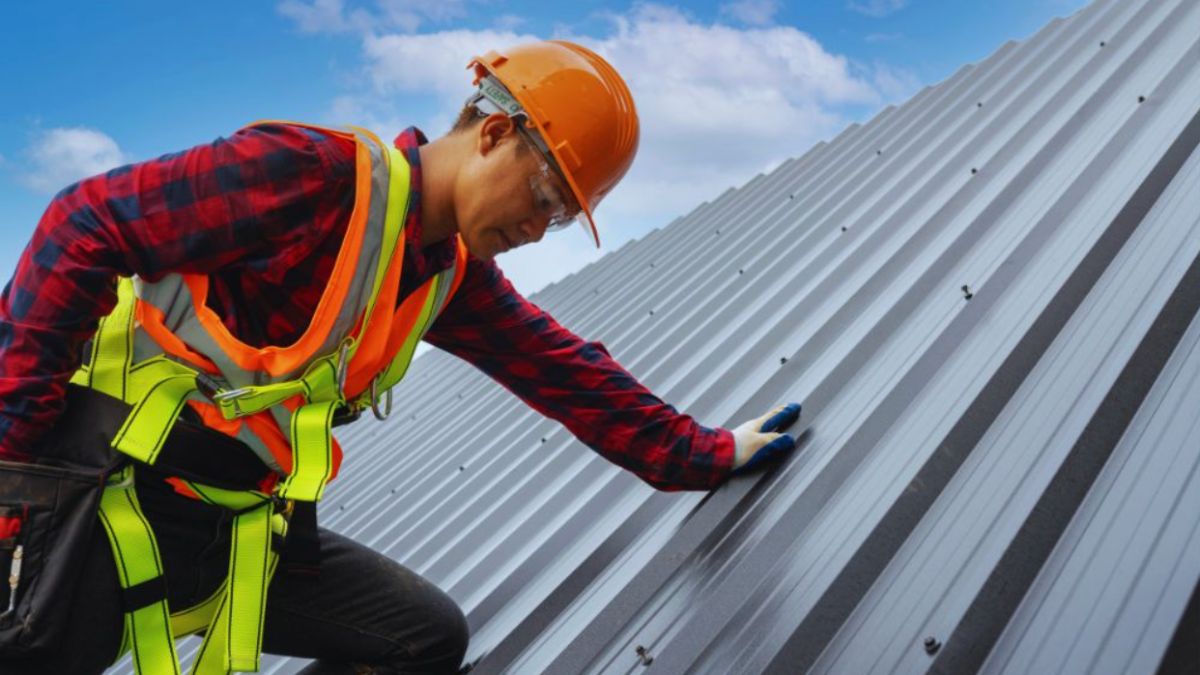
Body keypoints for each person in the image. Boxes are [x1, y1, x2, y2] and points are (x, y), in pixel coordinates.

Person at [0, 40, 801, 674]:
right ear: (493, 134)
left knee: (423, 637)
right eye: (547, 199)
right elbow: (80, 226)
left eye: (560, 221)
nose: (538, 229)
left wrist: (707, 451)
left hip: (226, 525)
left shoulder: (447, 276)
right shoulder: (311, 176)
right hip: (97, 496)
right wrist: (15, 473)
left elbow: (563, 370)